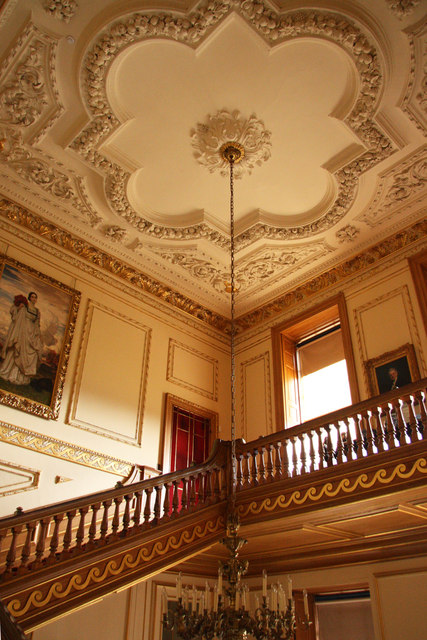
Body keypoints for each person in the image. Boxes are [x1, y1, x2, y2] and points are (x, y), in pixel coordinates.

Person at [0, 291, 43, 385]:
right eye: (32, 297)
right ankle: (9, 374)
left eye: (35, 297)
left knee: (30, 353)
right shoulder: (24, 307)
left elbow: (37, 324)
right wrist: (19, 308)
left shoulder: (37, 311)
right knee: (17, 350)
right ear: (29, 298)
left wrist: (37, 334)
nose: (34, 299)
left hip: (31, 333)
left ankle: (21, 377)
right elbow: (14, 313)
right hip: (22, 330)